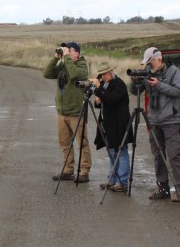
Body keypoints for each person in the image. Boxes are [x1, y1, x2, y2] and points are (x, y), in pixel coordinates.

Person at [129, 47, 180, 202]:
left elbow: (179, 92)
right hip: (153, 120)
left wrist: (159, 85)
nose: (149, 65)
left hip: (170, 120)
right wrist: (134, 81)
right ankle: (162, 188)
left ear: (158, 59)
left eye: (151, 62)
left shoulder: (173, 71)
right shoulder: (147, 72)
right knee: (158, 155)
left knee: (174, 155)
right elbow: (134, 92)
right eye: (147, 63)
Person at [43, 41, 91, 183]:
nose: (66, 53)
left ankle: (84, 171)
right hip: (62, 112)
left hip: (76, 111)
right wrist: (56, 58)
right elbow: (47, 73)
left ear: (77, 52)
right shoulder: (64, 64)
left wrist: (67, 58)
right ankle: (68, 170)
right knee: (64, 142)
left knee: (82, 142)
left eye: (69, 50)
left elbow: (75, 74)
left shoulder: (81, 65)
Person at [91, 64, 133, 192]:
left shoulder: (118, 84)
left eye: (104, 74)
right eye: (101, 75)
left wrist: (99, 88)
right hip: (108, 123)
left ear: (111, 72)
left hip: (119, 124)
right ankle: (112, 180)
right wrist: (97, 101)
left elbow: (111, 100)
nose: (102, 77)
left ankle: (123, 182)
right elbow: (103, 101)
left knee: (121, 151)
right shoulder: (105, 84)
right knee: (112, 152)